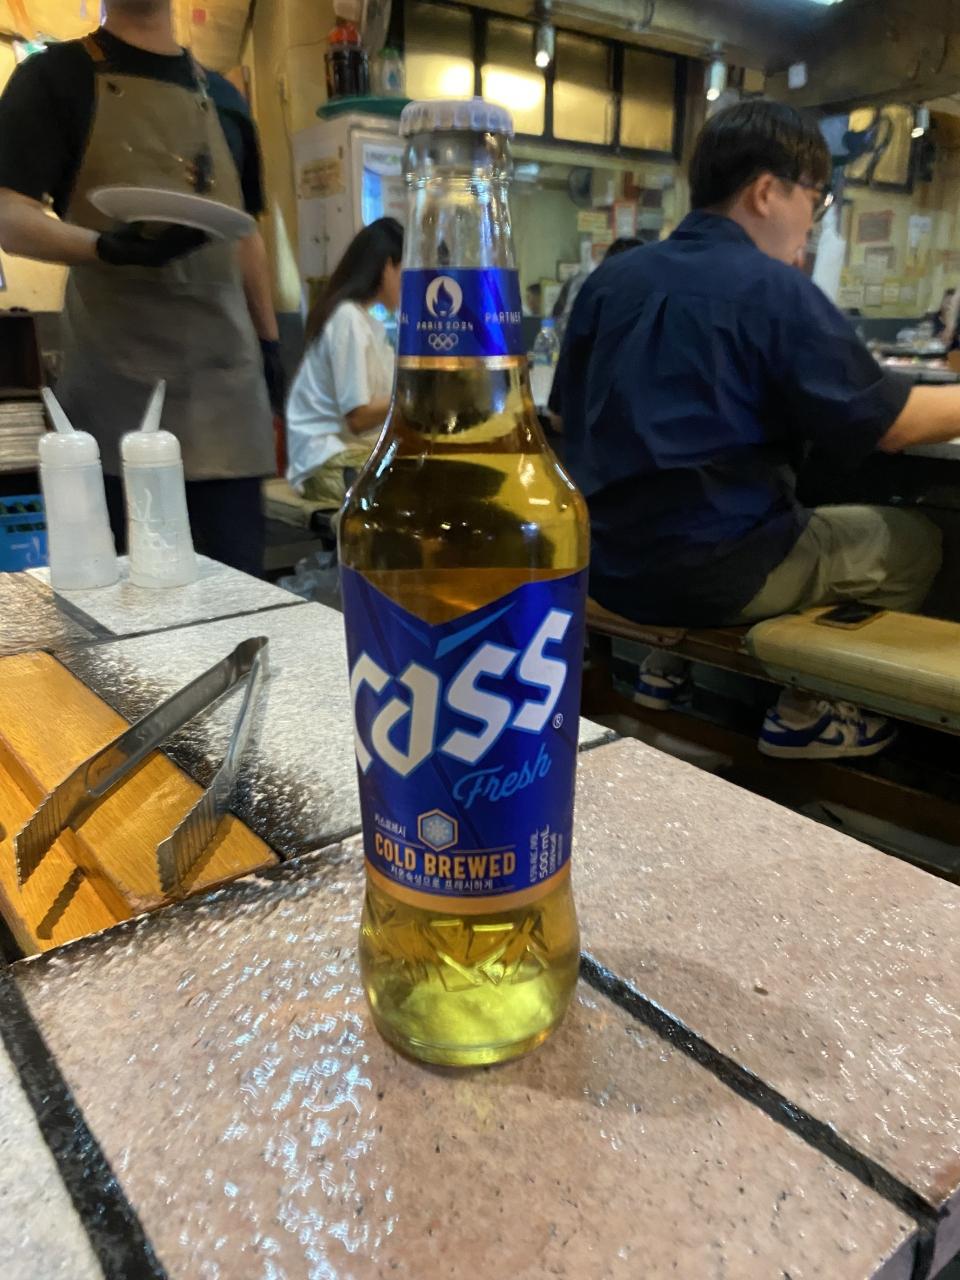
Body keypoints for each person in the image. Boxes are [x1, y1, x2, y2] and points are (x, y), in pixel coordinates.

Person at [550, 99, 960, 760]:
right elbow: (893, 424)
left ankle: (662, 670)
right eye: (815, 201)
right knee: (913, 541)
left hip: (604, 563)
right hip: (712, 577)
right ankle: (815, 710)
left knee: (735, 512)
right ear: (767, 192)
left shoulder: (611, 281)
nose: (812, 223)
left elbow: (563, 418)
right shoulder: (770, 289)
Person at [0, 0, 278, 576]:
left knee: (240, 597)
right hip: (117, 397)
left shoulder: (226, 97)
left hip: (228, 397)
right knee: (130, 604)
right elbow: (8, 215)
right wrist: (104, 247)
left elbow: (246, 235)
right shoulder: (54, 77)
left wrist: (271, 346)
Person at [285, 217, 402, 508]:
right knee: (413, 488)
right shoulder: (347, 318)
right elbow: (359, 418)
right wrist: (412, 399)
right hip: (323, 460)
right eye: (406, 271)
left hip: (345, 450)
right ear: (388, 266)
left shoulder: (371, 326)